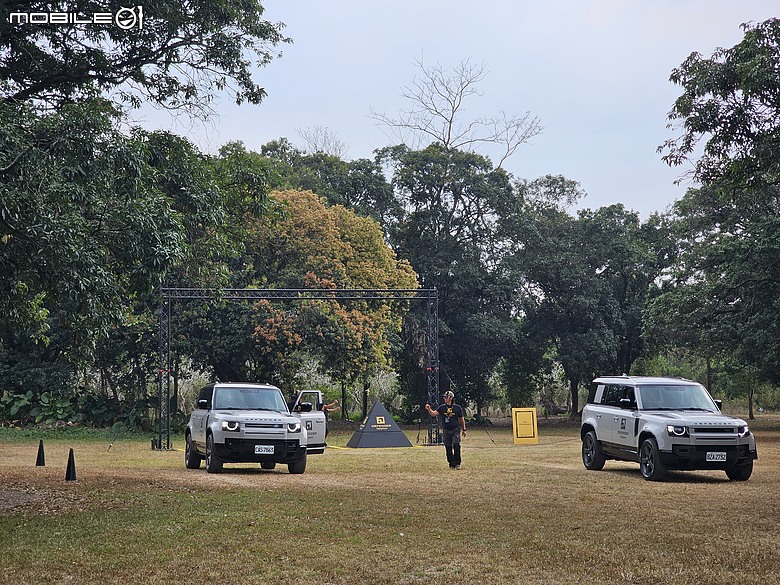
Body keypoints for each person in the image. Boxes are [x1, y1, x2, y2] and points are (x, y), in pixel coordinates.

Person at [425, 390, 466, 469]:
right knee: (448, 446)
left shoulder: (457, 408)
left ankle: (457, 463)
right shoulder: (442, 407)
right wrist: (429, 409)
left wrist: (464, 429)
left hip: (455, 429)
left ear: (451, 398)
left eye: (446, 397)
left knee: (456, 444)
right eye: (444, 397)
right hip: (446, 430)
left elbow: (461, 419)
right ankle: (451, 463)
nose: (444, 398)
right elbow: (434, 414)